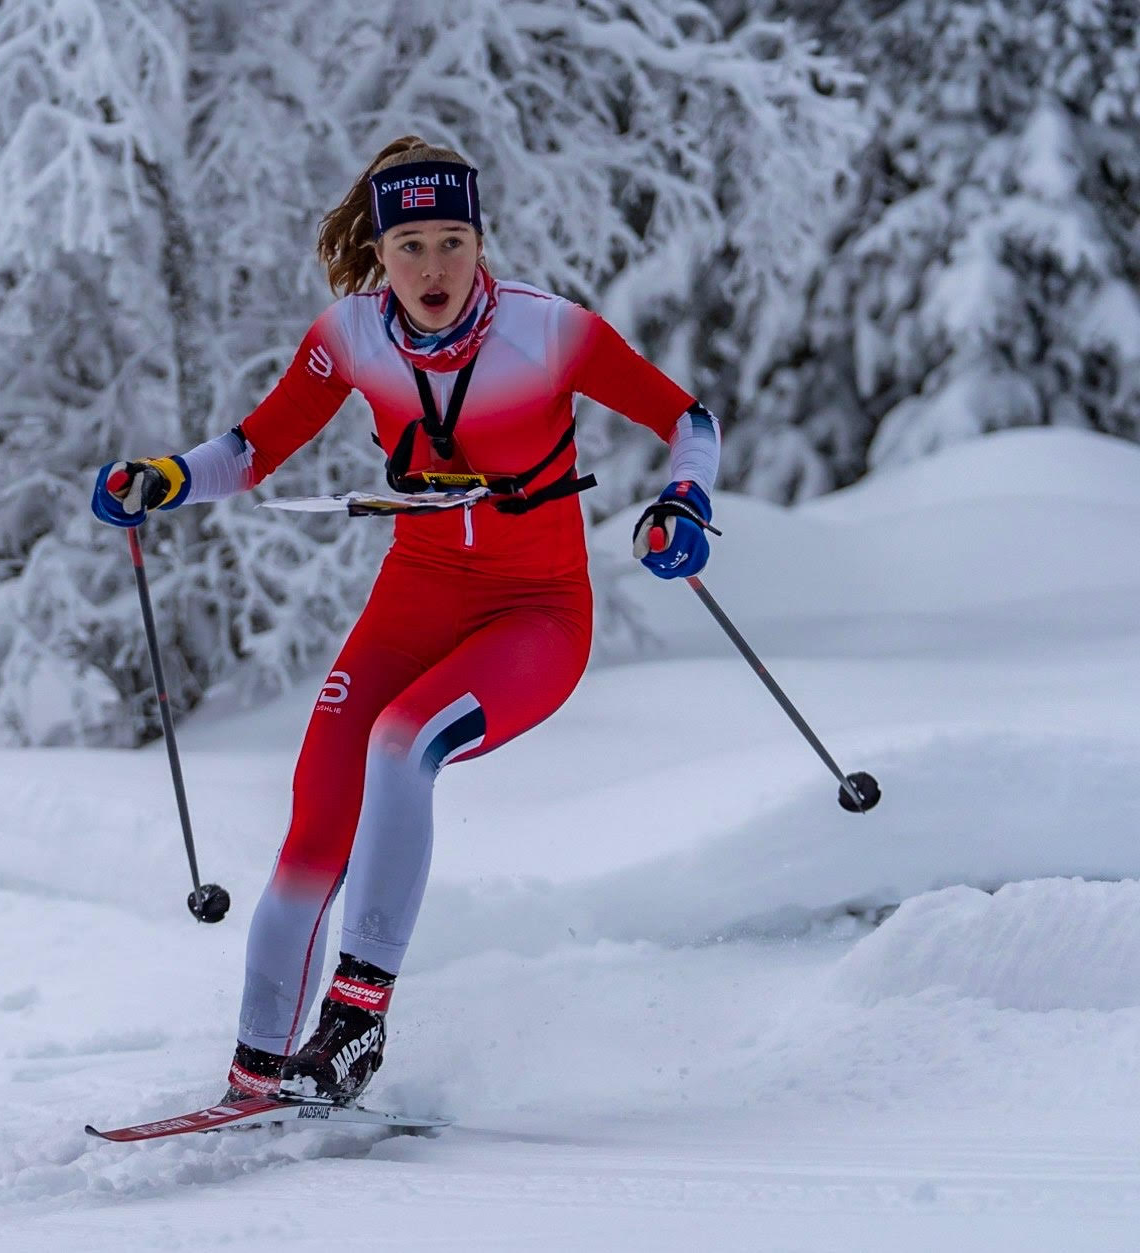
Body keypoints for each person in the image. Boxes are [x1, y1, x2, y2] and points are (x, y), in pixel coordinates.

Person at [91, 136, 720, 1106]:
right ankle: (256, 1077)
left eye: (454, 241)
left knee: (401, 741)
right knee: (313, 821)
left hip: (535, 616)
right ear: (379, 251)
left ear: (480, 243)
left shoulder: (546, 332)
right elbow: (253, 447)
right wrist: (164, 477)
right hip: (414, 599)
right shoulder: (348, 335)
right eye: (413, 243)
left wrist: (683, 501)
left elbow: (690, 420)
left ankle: (353, 1023)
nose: (434, 267)